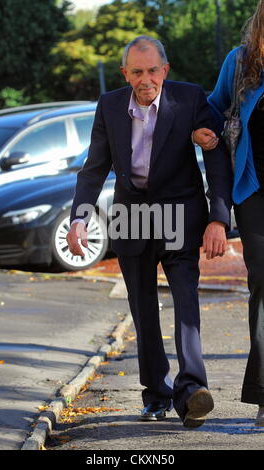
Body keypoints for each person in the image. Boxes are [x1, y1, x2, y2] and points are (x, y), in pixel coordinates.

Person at [67, 36, 232, 427]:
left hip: (179, 212)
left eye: (153, 70)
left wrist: (218, 217)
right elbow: (94, 167)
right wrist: (79, 218)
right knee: (143, 311)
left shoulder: (189, 99)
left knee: (186, 305)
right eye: (137, 72)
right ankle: (156, 394)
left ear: (165, 71)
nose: (146, 79)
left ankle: (192, 392)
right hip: (132, 216)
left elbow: (217, 154)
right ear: (125, 74)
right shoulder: (109, 105)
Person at [193, 0, 264, 427]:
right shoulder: (241, 63)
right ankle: (263, 396)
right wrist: (195, 128)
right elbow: (213, 108)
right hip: (254, 191)